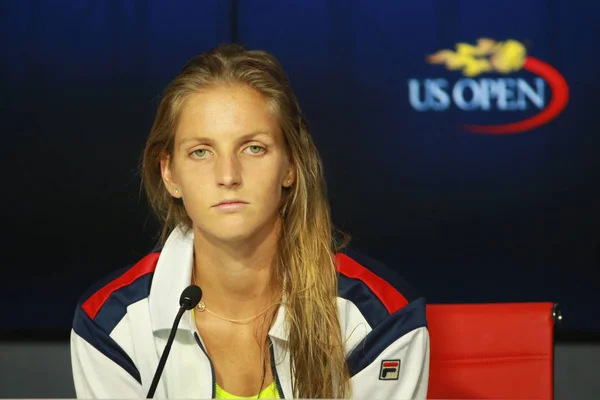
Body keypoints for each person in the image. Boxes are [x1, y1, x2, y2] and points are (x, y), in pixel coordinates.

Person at [70, 43, 430, 399]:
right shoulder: (112, 326)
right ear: (169, 174)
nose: (228, 175)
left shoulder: (378, 317)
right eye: (201, 152)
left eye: (253, 148)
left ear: (290, 166)